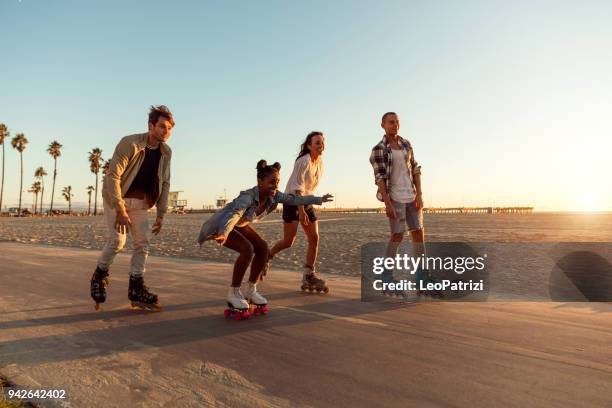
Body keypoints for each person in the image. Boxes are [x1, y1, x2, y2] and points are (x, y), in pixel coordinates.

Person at [197, 160, 333, 319]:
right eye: (271, 182)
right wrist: (224, 232)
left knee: (262, 247)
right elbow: (234, 213)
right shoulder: (247, 197)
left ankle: (250, 289)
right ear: (260, 181)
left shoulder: (274, 196)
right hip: (222, 226)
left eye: (278, 182)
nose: (275, 185)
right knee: (247, 249)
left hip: (240, 224)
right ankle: (233, 293)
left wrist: (318, 199)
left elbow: (294, 200)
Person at [90, 105, 174, 310]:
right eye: (162, 126)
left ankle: (136, 287)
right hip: (115, 198)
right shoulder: (130, 143)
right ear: (151, 125)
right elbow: (113, 176)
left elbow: (165, 183)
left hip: (140, 203)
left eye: (170, 128)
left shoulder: (166, 152)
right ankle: (99, 275)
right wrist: (119, 209)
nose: (166, 132)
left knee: (142, 243)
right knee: (118, 241)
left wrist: (161, 214)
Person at [369, 112, 433, 294]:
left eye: (397, 122)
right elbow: (379, 178)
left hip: (411, 196)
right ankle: (386, 277)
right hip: (395, 198)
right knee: (397, 236)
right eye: (390, 122)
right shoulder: (378, 149)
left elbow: (415, 168)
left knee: (418, 234)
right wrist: (387, 203)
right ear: (382, 125)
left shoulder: (406, 144)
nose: (394, 125)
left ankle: (422, 277)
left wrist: (419, 194)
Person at [267, 131, 328, 293]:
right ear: (309, 145)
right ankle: (267, 256)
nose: (321, 145)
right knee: (288, 241)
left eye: (322, 143)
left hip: (306, 201)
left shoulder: (320, 162)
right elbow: (297, 187)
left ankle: (309, 274)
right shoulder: (304, 161)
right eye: (317, 142)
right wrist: (301, 211)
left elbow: (309, 188)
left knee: (314, 238)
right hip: (292, 201)